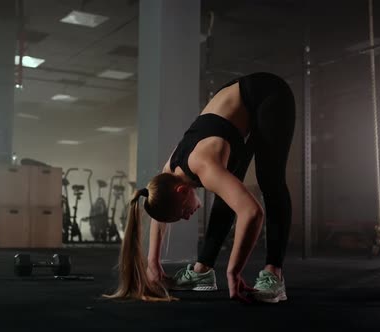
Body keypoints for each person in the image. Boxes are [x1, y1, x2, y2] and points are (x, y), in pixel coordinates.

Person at [104, 72, 296, 303]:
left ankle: (274, 273)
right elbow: (158, 203)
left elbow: (252, 213)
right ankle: (202, 272)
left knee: (270, 181)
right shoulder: (170, 173)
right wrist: (153, 262)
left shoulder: (205, 166)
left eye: (182, 213)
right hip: (235, 102)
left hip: (268, 94)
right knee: (227, 195)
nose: (186, 217)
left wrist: (233, 272)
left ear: (182, 192)